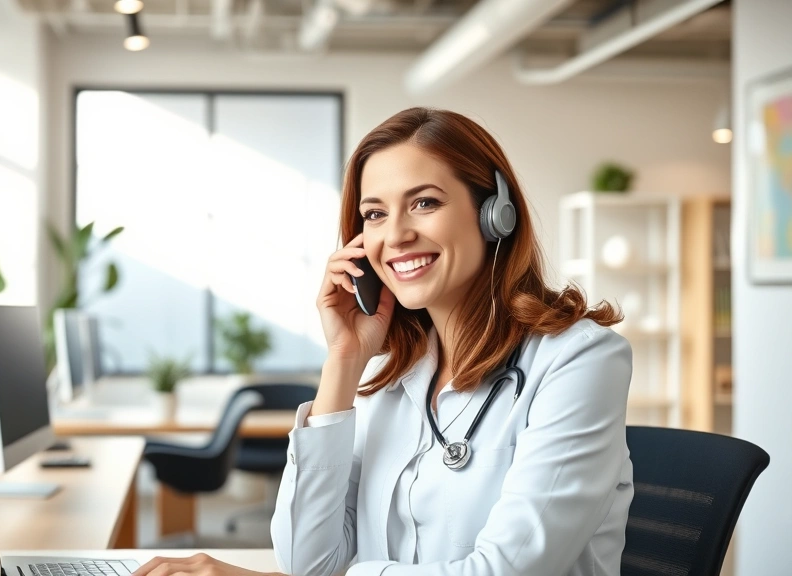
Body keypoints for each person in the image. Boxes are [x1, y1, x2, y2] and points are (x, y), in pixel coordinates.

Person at [132, 108, 633, 576]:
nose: (395, 235)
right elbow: (308, 564)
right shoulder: (385, 376)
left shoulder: (579, 361)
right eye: (374, 214)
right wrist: (344, 361)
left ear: (495, 215)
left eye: (424, 203)